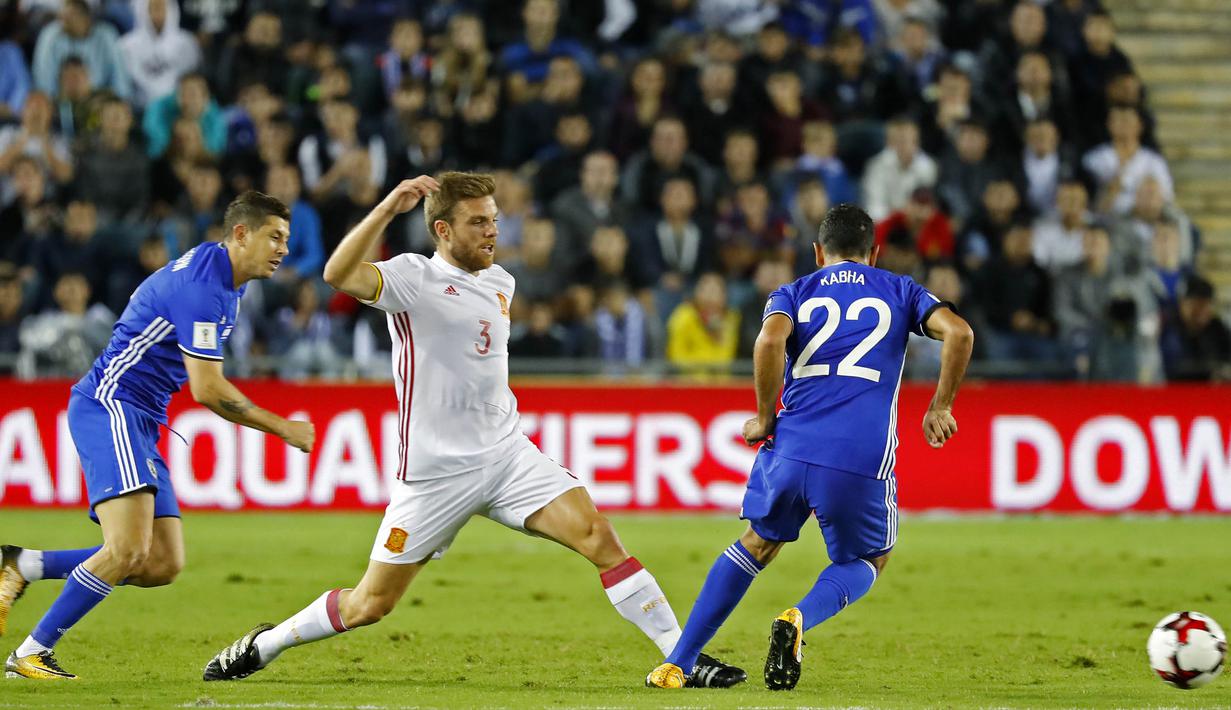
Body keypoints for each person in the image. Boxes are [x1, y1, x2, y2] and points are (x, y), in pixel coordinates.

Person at [201, 173, 744, 688]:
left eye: (494, 219)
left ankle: (682, 658)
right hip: (435, 474)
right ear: (443, 230)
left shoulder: (502, 281)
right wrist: (390, 208)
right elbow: (337, 275)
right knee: (371, 604)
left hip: (507, 456)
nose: (493, 231)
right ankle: (266, 644)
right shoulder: (414, 278)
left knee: (599, 537)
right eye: (478, 222)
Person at [646, 203, 973, 690]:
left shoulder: (793, 291)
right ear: (875, 254)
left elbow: (768, 340)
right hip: (859, 456)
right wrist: (940, 405)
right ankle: (797, 618)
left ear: (819, 252)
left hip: (790, 447)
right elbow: (960, 333)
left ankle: (678, 661)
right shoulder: (901, 289)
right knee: (867, 560)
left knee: (756, 543)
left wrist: (763, 415)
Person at [1, 191, 315, 679]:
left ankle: (23, 565)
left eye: (287, 240)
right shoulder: (203, 288)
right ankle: (30, 653)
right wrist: (284, 428)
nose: (283, 249)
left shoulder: (227, 277)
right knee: (125, 549)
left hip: (142, 418)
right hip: (113, 407)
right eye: (274, 237)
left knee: (161, 562)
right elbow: (208, 389)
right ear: (240, 234)